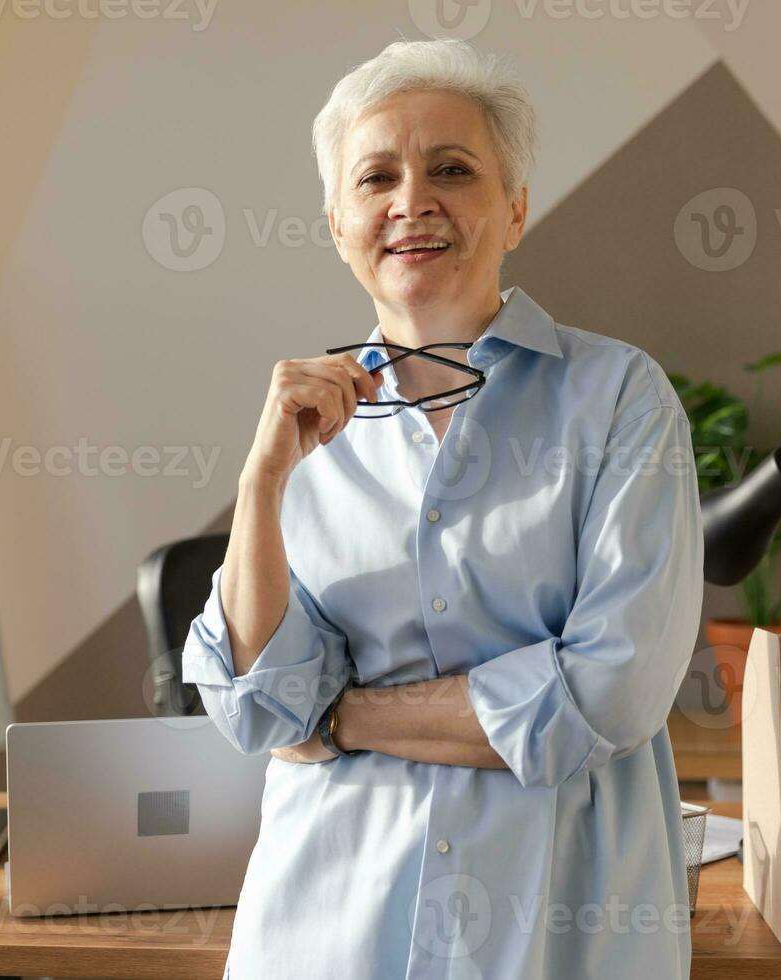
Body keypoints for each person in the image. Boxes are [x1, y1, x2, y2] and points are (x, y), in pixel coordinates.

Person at [182, 37, 704, 979]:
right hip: (330, 932)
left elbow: (607, 695)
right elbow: (262, 708)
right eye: (375, 177)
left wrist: (342, 721)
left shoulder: (618, 399)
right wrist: (261, 483)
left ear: (514, 209)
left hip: (551, 936)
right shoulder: (304, 427)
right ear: (339, 223)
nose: (410, 200)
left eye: (451, 170)